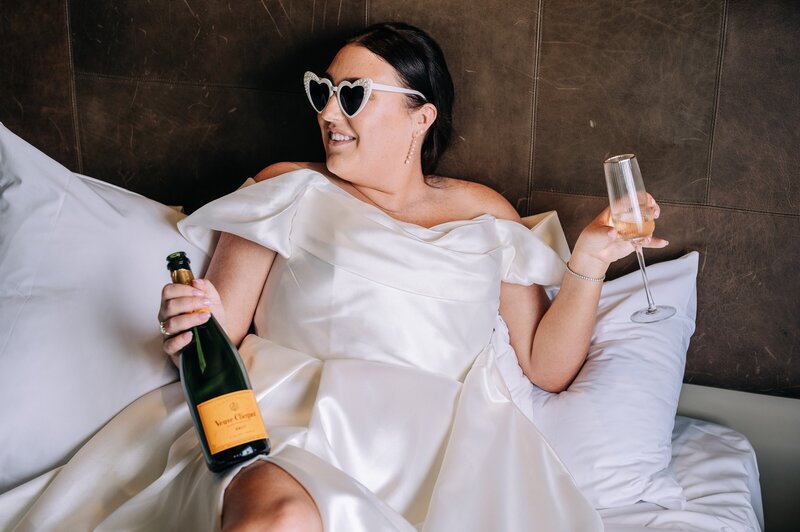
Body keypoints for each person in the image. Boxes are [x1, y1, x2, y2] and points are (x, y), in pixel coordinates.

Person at [4, 22, 664, 532]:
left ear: (421, 115)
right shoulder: (286, 187)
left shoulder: (485, 212)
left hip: (442, 453)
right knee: (283, 518)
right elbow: (218, 335)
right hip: (292, 421)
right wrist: (189, 322)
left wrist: (590, 262)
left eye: (352, 95)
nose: (327, 112)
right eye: (322, 92)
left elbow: (546, 365)